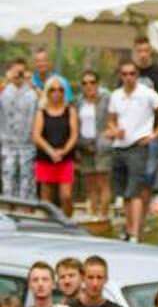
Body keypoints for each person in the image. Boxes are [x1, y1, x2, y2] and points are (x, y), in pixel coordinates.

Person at [106, 59, 158, 243]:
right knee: (124, 192)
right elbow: (111, 119)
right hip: (119, 145)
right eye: (124, 74)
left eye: (132, 74)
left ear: (137, 75)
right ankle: (129, 228)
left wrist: (155, 135)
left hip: (139, 146)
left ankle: (135, 233)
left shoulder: (147, 93)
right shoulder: (116, 95)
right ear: (120, 76)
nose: (128, 77)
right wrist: (114, 129)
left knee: (135, 191)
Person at [133, 36, 158, 231]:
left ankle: (142, 220)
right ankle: (133, 222)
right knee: (132, 179)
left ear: (150, 52)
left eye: (145, 50)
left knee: (148, 178)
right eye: (139, 50)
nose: (142, 54)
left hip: (152, 133)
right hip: (131, 134)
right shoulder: (128, 72)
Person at [32, 76, 78, 217]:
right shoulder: (41, 112)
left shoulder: (70, 111)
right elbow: (36, 136)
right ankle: (48, 225)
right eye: (52, 90)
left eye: (60, 90)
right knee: (46, 197)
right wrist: (50, 151)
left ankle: (67, 222)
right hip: (45, 158)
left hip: (65, 158)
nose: (56, 93)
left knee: (66, 196)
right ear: (47, 92)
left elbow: (74, 134)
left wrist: (63, 151)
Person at [0, 56, 39, 201]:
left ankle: (26, 216)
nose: (18, 75)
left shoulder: (32, 95)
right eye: (15, 72)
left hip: (27, 146)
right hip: (7, 146)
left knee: (26, 185)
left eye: (21, 72)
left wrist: (34, 86)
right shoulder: (3, 92)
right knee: (8, 183)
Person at [75, 70, 112, 219]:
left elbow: (113, 119)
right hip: (85, 146)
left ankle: (103, 216)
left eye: (92, 82)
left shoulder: (106, 99)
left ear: (98, 83)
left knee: (103, 183)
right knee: (89, 184)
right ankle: (93, 215)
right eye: (85, 83)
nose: (89, 85)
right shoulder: (79, 101)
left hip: (102, 145)